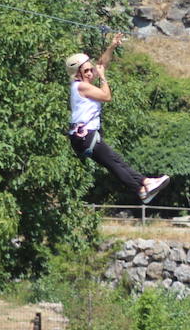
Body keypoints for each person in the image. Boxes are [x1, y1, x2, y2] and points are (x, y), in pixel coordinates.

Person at [66, 34, 170, 203]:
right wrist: (103, 78)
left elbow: (101, 64)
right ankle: (144, 184)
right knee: (115, 162)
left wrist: (112, 46)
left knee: (115, 162)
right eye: (86, 71)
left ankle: (142, 188)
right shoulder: (81, 86)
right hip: (84, 135)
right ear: (77, 74)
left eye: (90, 69)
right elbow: (106, 96)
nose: (91, 73)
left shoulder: (83, 82)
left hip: (82, 136)